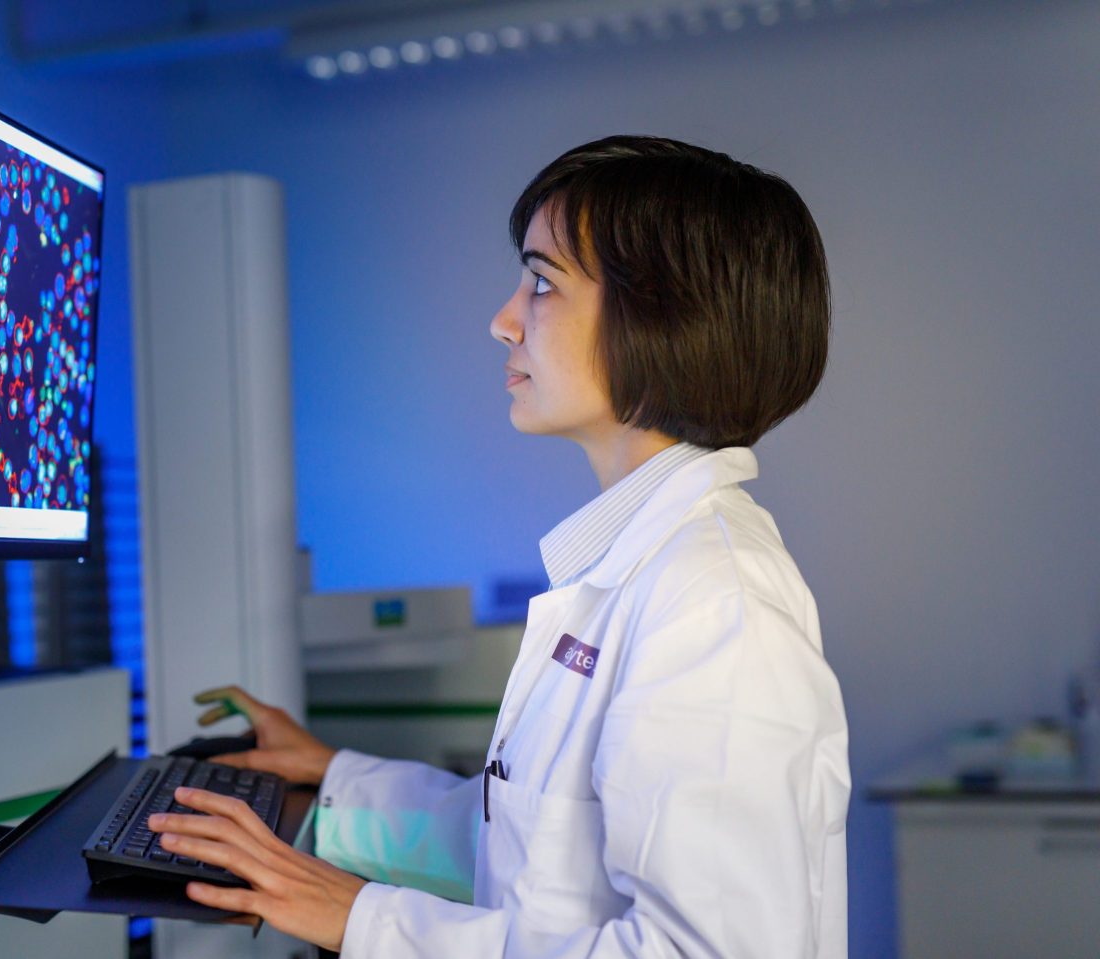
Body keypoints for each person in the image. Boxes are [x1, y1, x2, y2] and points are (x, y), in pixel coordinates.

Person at [146, 135, 850, 958]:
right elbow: (523, 845)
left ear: (662, 320)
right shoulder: (634, 568)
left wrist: (361, 918)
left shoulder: (713, 599)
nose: (503, 319)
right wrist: (330, 774)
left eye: (542, 283)